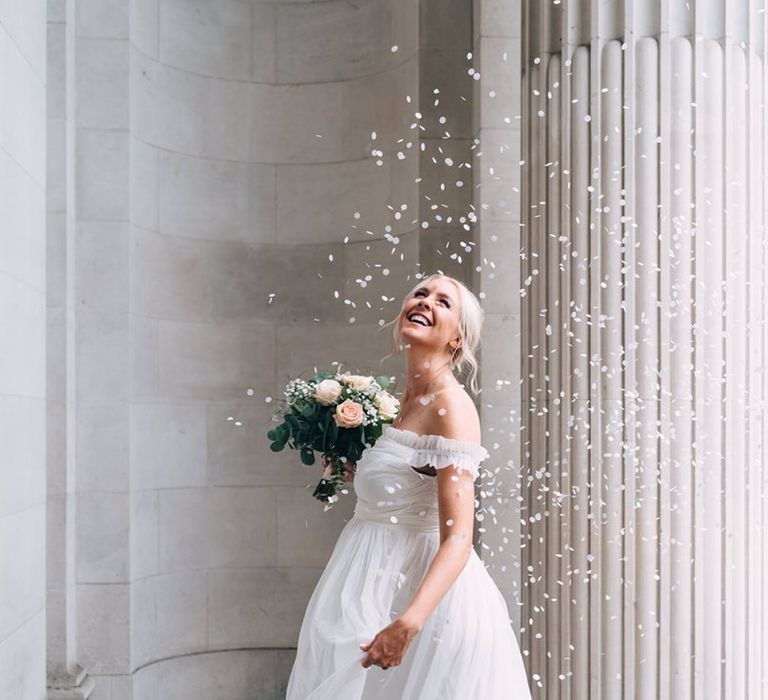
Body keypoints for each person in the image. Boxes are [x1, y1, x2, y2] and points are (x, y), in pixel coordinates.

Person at [285, 273, 532, 699]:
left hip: (417, 598)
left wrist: (409, 623)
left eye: (443, 301)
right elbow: (405, 483)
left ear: (457, 338)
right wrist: (352, 468)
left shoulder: (450, 407)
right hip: (366, 576)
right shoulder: (399, 402)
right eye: (420, 293)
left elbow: (459, 537)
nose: (425, 302)